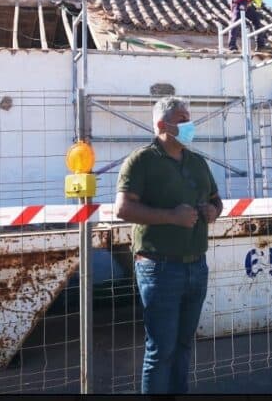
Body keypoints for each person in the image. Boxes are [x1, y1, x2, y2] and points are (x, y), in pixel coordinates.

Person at [115, 96, 222, 394]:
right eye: (182, 118)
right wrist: (171, 217)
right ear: (162, 125)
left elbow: (216, 200)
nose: (190, 124)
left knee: (184, 346)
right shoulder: (142, 161)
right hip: (159, 268)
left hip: (196, 267)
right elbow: (123, 209)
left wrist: (213, 211)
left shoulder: (197, 161)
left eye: (190, 117)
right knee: (160, 351)